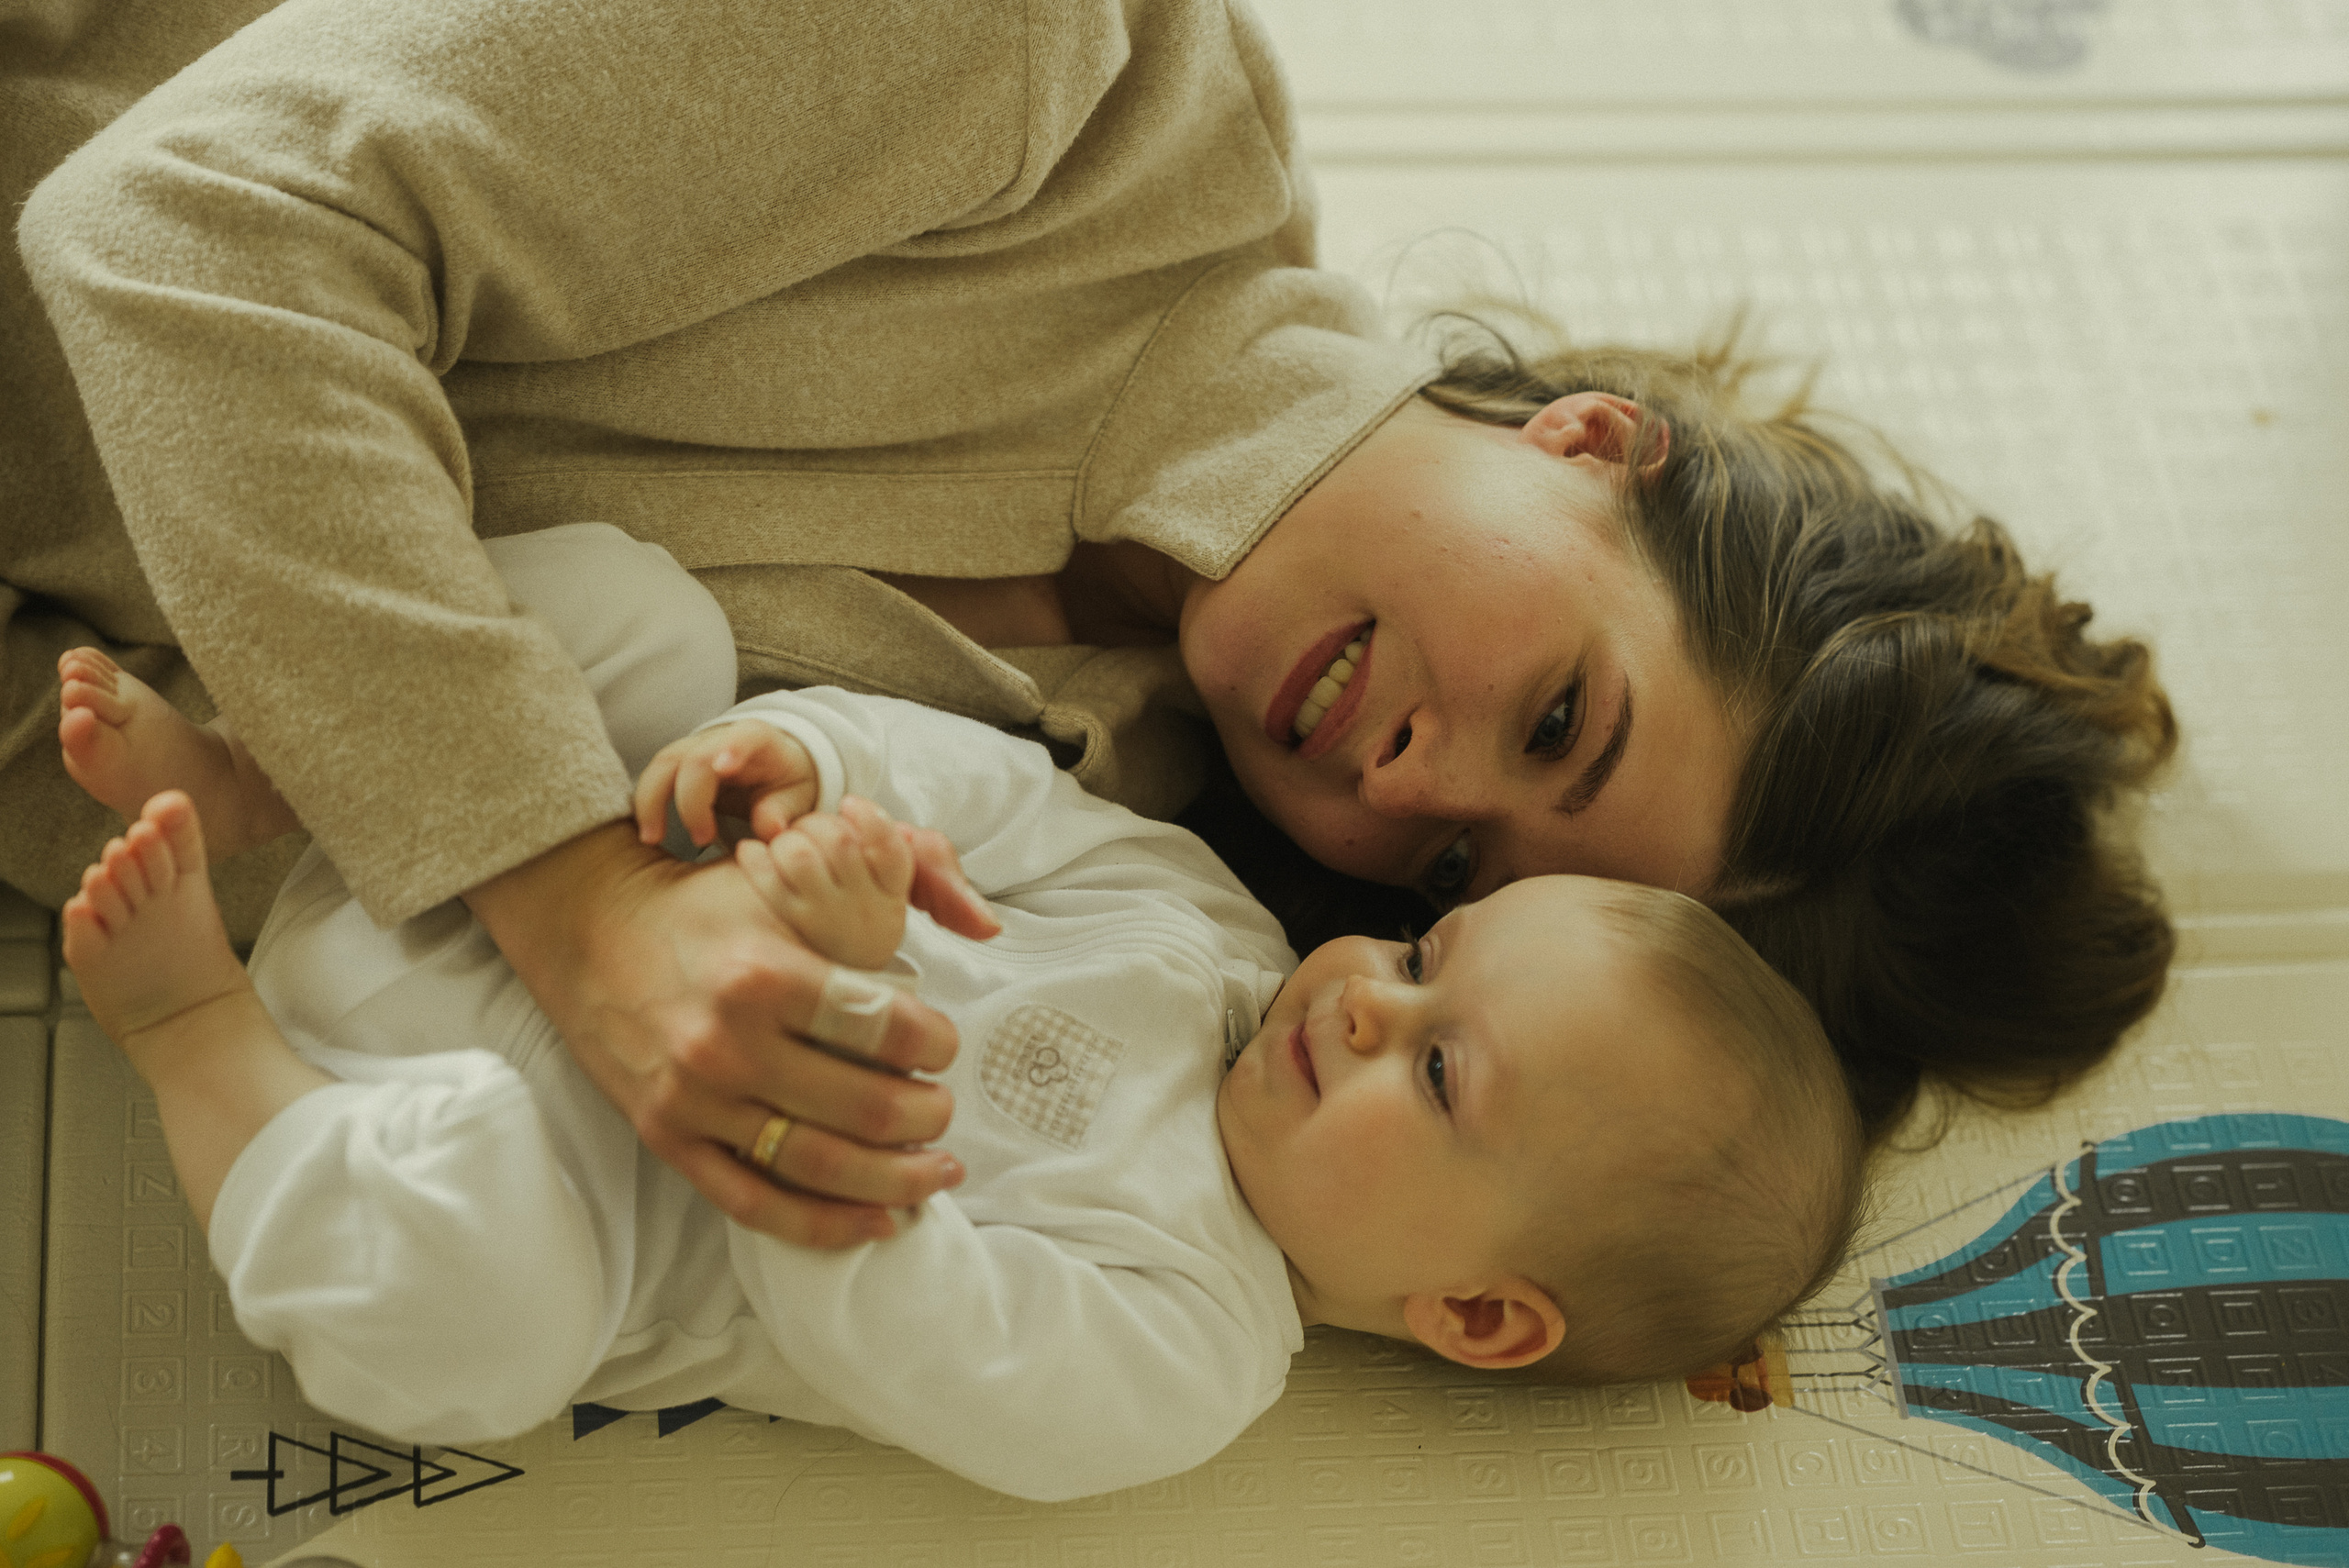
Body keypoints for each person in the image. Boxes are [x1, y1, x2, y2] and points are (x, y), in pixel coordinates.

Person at [8, 0, 2168, 1240]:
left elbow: (188, 836)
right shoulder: (1055, 66)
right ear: (1598, 442)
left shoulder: (1070, 842)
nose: (1409, 791)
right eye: (1558, 719)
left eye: (1454, 877)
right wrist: (574, 896)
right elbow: (179, 229)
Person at [53, 535, 1863, 1501]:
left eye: (1440, 1067)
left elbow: (879, 1305)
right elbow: (993, 797)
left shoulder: (1179, 1359)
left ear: (1471, 1307)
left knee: (478, 1335)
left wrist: (843, 992)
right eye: (1420, 959)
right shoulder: (1205, 931)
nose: (1360, 998)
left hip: (466, 1136)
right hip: (502, 858)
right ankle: (273, 772)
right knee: (637, 614)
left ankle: (191, 1025)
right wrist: (816, 761)